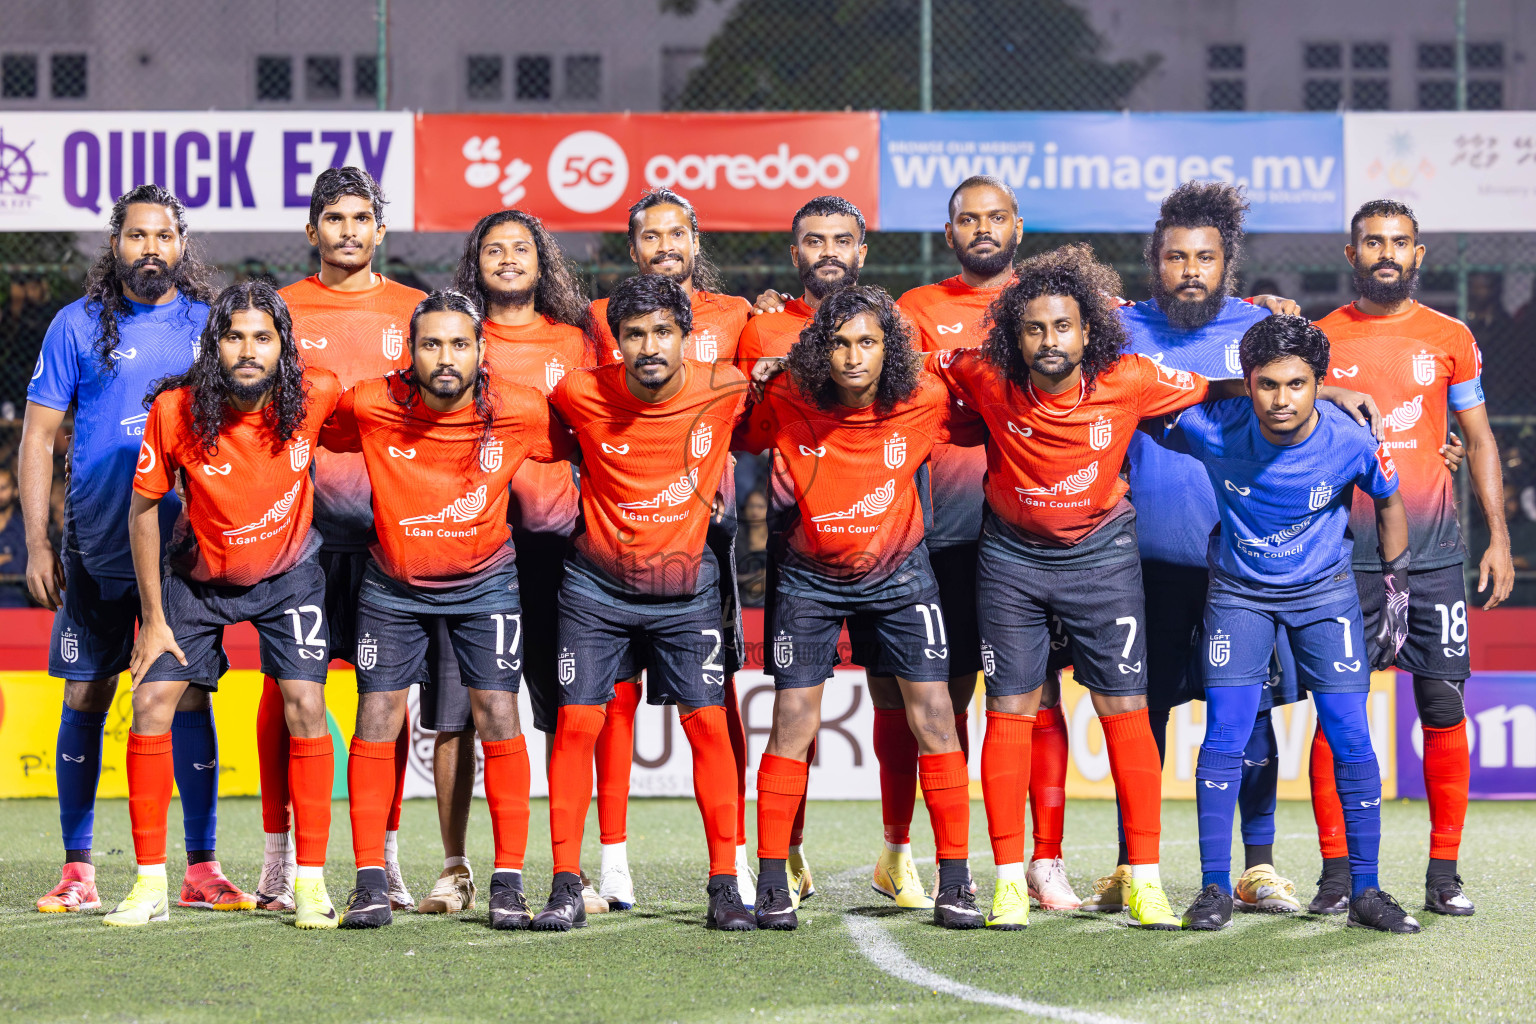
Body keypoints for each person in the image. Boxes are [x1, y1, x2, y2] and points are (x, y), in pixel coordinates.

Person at [925, 244, 1381, 931]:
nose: (1051, 341)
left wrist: (1331, 391)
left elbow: (1224, 388)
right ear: (1014, 336)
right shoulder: (985, 376)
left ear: (1090, 330)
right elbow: (912, 371)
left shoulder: (1132, 376)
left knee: (1134, 712)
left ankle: (1146, 879)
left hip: (1108, 561)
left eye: (1064, 327)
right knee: (1010, 710)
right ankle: (1009, 883)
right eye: (1035, 329)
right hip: (1012, 563)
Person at [21, 185, 239, 915]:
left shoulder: (212, 328)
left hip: (185, 552)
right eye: (137, 236)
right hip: (95, 546)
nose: (152, 248)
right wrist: (38, 542)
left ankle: (202, 867)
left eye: (165, 236)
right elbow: (38, 438)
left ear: (183, 245)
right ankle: (77, 869)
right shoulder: (75, 326)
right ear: (115, 245)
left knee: (186, 695)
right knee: (86, 691)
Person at [1164, 315, 1421, 934]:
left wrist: (1396, 588)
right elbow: (1153, 407)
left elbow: (1388, 501)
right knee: (1224, 734)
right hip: (1238, 595)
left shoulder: (1352, 441)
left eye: (1299, 385)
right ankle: (1215, 889)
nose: (1282, 400)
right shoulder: (1211, 427)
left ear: (1319, 384)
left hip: (1324, 595)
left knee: (1350, 735)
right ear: (1247, 384)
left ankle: (1366, 889)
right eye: (1267, 385)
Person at [325, 290, 572, 931]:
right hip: (392, 585)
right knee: (377, 714)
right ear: (410, 352)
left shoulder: (520, 409)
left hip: (486, 583)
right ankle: (370, 882)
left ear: (481, 351)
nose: (445, 357)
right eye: (431, 343)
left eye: (459, 343)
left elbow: (593, 439)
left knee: (497, 712)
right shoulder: (370, 403)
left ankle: (510, 880)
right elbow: (304, 427)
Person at [734, 286, 979, 930]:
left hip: (902, 575)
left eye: (867, 341)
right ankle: (771, 880)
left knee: (934, 719)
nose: (852, 356)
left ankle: (955, 878)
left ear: (888, 348)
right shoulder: (788, 399)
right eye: (839, 342)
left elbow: (990, 396)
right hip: (809, 580)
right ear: (820, 350)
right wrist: (759, 377)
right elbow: (734, 430)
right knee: (793, 722)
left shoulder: (922, 399)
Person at [110, 282, 342, 928]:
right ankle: (150, 884)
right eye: (234, 336)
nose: (247, 349)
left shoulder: (316, 396)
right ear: (213, 345)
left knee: (306, 702)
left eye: (262, 337)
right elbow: (143, 511)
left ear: (283, 347)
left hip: (289, 575)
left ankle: (311, 883)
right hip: (198, 580)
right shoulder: (176, 410)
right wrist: (153, 620)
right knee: (153, 700)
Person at [1098, 181, 1300, 915]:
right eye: (1176, 256)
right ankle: (1133, 865)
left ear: (1228, 262)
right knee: (1137, 711)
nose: (1190, 270)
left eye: (1205, 258)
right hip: (1135, 562)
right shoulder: (1116, 328)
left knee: (1245, 715)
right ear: (1155, 260)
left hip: (1239, 565)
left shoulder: (1262, 330)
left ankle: (1259, 866)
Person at [1310, 199, 1513, 917]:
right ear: (1351, 253)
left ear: (1418, 255)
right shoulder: (1319, 338)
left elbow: (1478, 439)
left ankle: (1443, 873)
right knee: (1338, 717)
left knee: (1443, 706)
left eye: (1399, 242)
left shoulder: (1449, 336)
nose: (1386, 252)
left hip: (1433, 558)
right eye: (1373, 242)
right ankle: (1337, 876)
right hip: (1341, 561)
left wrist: (1499, 534)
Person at [534, 274, 752, 932]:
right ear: (616, 342)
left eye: (663, 331)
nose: (649, 345)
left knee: (709, 727)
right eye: (634, 334)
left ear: (687, 335)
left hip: (685, 590)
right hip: (595, 590)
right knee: (576, 725)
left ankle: (724, 885)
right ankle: (567, 885)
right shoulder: (579, 393)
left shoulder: (727, 389)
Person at [883, 175, 1058, 911]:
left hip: (1035, 535)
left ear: (1018, 227)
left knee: (1038, 697)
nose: (982, 228)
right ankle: (911, 853)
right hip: (946, 535)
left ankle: (1042, 861)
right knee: (939, 696)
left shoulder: (1054, 306)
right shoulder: (917, 310)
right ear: (948, 232)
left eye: (996, 217)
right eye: (967, 219)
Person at [255, 166, 426, 914]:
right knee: (287, 692)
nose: (349, 231)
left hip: (395, 533)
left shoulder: (416, 311)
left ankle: (384, 856)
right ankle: (278, 854)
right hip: (300, 539)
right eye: (335, 219)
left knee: (387, 698)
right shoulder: (280, 312)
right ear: (312, 231)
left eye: (362, 218)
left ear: (380, 231)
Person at [588, 188, 757, 904]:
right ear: (633, 249)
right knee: (614, 702)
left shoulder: (740, 315)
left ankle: (736, 861)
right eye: (649, 236)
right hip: (618, 537)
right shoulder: (596, 318)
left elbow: (756, 401)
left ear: (696, 240)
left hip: (703, 540)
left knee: (713, 704)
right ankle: (613, 870)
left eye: (676, 233)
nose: (664, 245)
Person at [428, 208, 596, 915]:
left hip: (555, 548)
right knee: (456, 714)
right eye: (491, 249)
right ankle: (456, 867)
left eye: (520, 248)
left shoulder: (576, 340)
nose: (506, 258)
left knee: (560, 709)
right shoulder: (455, 337)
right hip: (469, 548)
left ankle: (566, 867)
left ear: (542, 261)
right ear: (475, 262)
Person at [734, 193, 870, 903]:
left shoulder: (888, 324)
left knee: (906, 700)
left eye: (841, 239)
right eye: (813, 239)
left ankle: (901, 850)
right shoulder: (759, 328)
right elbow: (740, 437)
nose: (828, 250)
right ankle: (782, 849)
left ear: (861, 251)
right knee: (795, 706)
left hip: (884, 544)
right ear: (794, 254)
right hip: (789, 550)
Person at [0, 467, 32, 606]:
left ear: (15, 491)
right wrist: (5, 559)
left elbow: (18, 568)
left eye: (3, 488)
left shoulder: (23, 528)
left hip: (13, 601)